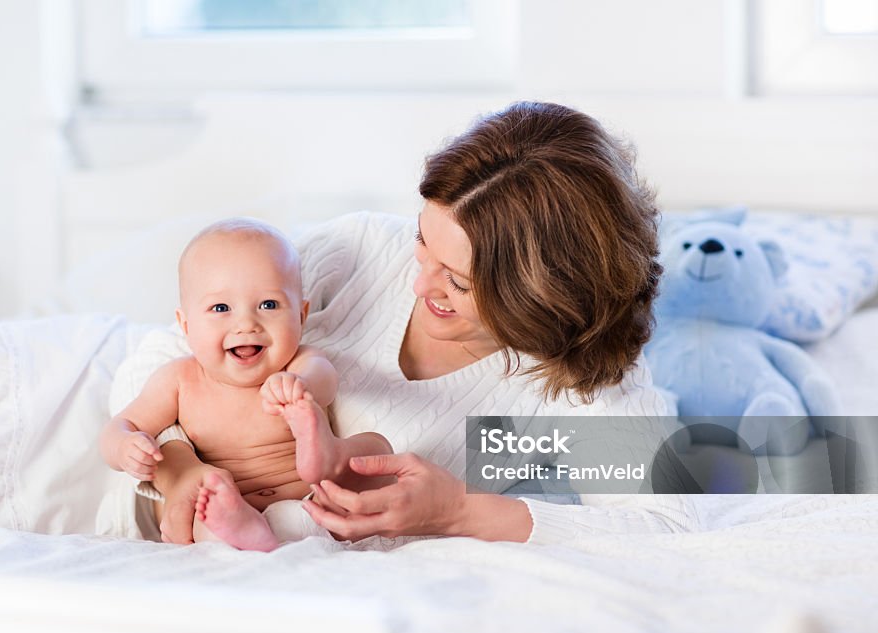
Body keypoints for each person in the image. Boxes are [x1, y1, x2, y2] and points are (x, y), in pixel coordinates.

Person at [109, 101, 699, 546]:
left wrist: (460, 512)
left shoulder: (571, 385)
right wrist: (179, 465)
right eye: (423, 243)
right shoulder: (360, 253)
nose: (418, 286)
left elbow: (663, 523)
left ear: (540, 297)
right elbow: (157, 357)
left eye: (459, 282)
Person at [100, 219, 391, 549]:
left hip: (314, 497)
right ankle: (244, 531)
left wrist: (299, 386)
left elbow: (324, 380)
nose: (246, 323)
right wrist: (125, 447)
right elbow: (119, 426)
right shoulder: (179, 380)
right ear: (185, 324)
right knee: (203, 514)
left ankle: (321, 459)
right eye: (221, 307)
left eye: (268, 305)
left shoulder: (300, 363)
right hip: (231, 501)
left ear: (300, 315)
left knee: (376, 448)